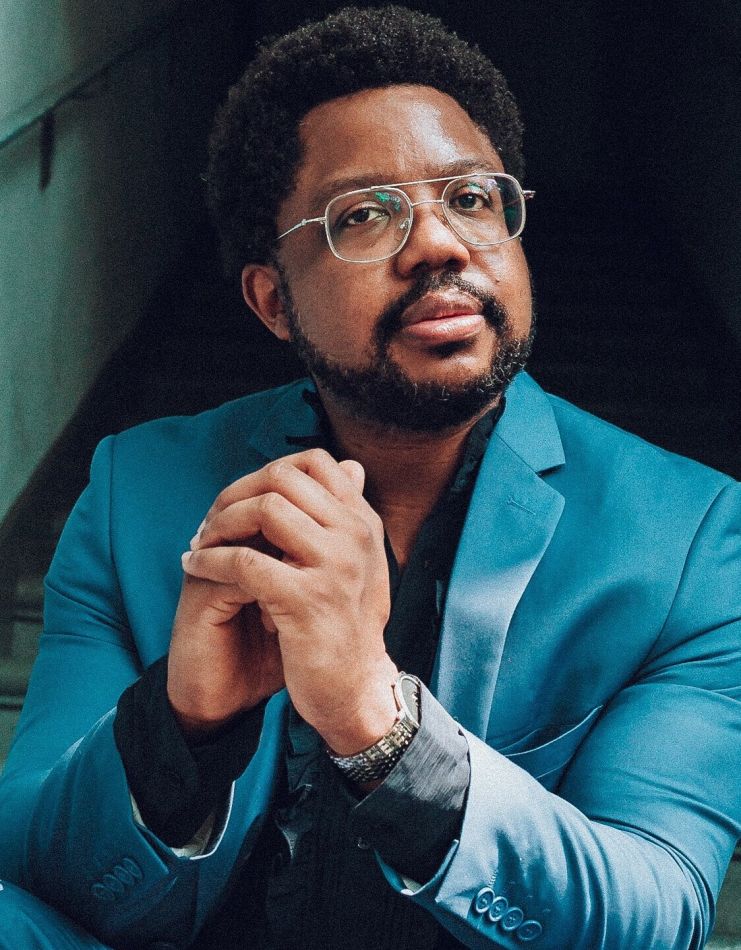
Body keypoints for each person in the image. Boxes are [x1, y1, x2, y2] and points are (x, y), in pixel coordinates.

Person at [0, 6, 738, 949]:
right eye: (364, 215)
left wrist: (380, 728)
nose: (439, 244)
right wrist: (180, 725)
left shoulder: (691, 539)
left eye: (471, 198)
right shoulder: (135, 491)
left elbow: (658, 913)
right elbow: (32, 866)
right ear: (273, 300)